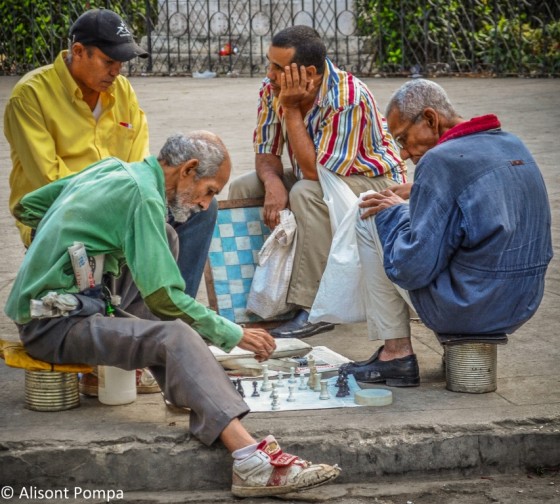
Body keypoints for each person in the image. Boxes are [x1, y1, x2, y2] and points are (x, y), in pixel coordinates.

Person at [4, 131, 341, 497]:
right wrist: (232, 333)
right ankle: (248, 460)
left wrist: (64, 251)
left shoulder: (114, 169)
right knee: (175, 334)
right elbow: (164, 297)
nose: (204, 203)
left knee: (166, 236)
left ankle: (171, 368)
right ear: (188, 170)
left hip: (80, 304)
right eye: (209, 190)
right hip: (52, 325)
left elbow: (29, 206)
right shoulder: (142, 197)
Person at [3, 8, 216, 394]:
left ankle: (167, 317)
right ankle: (130, 335)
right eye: (109, 60)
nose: (117, 71)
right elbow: (50, 187)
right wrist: (120, 211)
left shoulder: (123, 94)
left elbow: (140, 167)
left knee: (200, 207)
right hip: (65, 219)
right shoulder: (30, 97)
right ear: (78, 51)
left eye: (122, 62)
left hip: (124, 206)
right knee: (154, 232)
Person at [340, 79, 552, 387]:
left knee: (371, 214)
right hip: (524, 300)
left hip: (470, 306)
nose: (402, 154)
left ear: (429, 118)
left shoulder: (439, 161)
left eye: (404, 139)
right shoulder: (512, 144)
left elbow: (411, 267)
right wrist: (422, 192)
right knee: (453, 233)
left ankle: (395, 354)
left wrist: (395, 212)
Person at [228, 25, 406, 339]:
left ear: (309, 73)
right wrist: (272, 183)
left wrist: (292, 108)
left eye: (278, 68)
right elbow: (265, 151)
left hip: (370, 181)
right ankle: (257, 299)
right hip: (318, 173)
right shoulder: (273, 87)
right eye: (269, 64)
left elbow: (315, 173)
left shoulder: (347, 98)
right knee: (246, 187)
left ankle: (313, 307)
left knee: (306, 193)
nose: (270, 74)